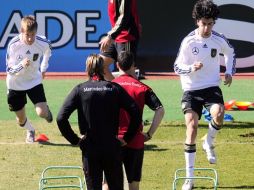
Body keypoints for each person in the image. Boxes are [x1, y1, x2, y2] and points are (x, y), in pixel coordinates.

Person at [174, 1, 236, 189]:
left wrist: (229, 72)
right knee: (191, 127)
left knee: (219, 114)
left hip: (211, 86)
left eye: (211, 23)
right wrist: (191, 68)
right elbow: (176, 66)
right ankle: (189, 178)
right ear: (197, 22)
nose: (207, 27)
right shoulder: (188, 41)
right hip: (191, 89)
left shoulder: (218, 39)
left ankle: (208, 141)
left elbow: (231, 53)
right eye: (204, 23)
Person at [56, 54, 142, 190]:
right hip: (112, 147)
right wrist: (127, 138)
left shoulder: (80, 89)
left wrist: (75, 140)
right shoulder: (114, 88)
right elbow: (136, 112)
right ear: (103, 69)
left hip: (90, 147)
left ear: (87, 69)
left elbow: (61, 118)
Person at [103, 51, 165, 190]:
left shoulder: (109, 85)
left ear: (117, 65)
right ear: (134, 65)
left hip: (113, 141)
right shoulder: (142, 87)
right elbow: (160, 110)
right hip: (135, 141)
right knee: (134, 184)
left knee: (107, 183)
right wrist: (149, 134)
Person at [6, 15, 53, 144]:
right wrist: (21, 65)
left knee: (42, 113)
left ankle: (47, 112)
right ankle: (30, 130)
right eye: (27, 35)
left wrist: (43, 68)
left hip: (34, 81)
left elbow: (48, 51)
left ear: (36, 32)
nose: (30, 38)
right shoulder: (14, 45)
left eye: (33, 34)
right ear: (22, 31)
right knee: (21, 120)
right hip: (15, 84)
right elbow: (9, 70)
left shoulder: (42, 42)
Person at [99, 0, 144, 81]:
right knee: (100, 65)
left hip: (126, 37)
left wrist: (110, 36)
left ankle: (136, 93)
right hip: (116, 36)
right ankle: (116, 91)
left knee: (127, 72)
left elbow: (124, 16)